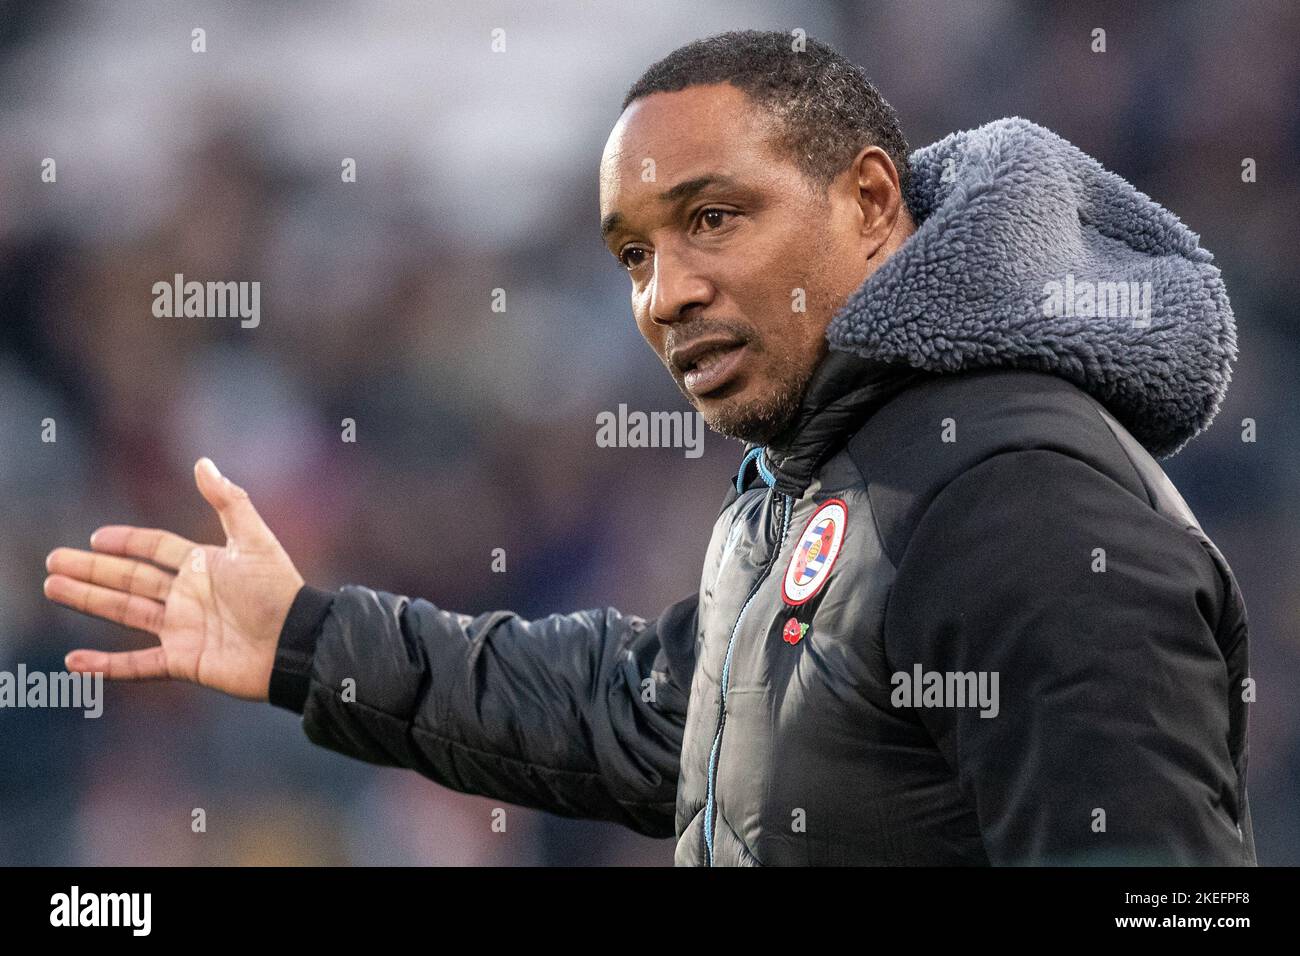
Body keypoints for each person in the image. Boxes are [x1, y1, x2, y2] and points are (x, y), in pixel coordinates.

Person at [43, 30, 1256, 866]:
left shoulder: (1019, 500)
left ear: (872, 203)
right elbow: (642, 715)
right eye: (632, 255)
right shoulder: (824, 480)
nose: (666, 293)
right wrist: (306, 639)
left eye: (714, 218)